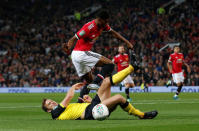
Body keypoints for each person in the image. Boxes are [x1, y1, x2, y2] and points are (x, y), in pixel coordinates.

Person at [42, 52, 158, 120]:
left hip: (91, 106)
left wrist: (88, 101)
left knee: (107, 81)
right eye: (49, 104)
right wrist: (72, 88)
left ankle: (133, 67)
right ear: (48, 111)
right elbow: (68, 98)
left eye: (50, 101)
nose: (52, 102)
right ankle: (142, 115)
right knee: (119, 97)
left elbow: (76, 110)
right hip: (92, 112)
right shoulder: (55, 113)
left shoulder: (63, 109)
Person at [63, 10, 133, 102]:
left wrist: (127, 42)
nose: (107, 24)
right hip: (81, 53)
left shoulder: (102, 26)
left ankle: (80, 103)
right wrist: (68, 46)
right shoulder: (89, 27)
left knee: (89, 82)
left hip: (76, 56)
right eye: (106, 22)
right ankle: (96, 83)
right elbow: (74, 38)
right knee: (110, 64)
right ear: (100, 20)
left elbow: (114, 33)